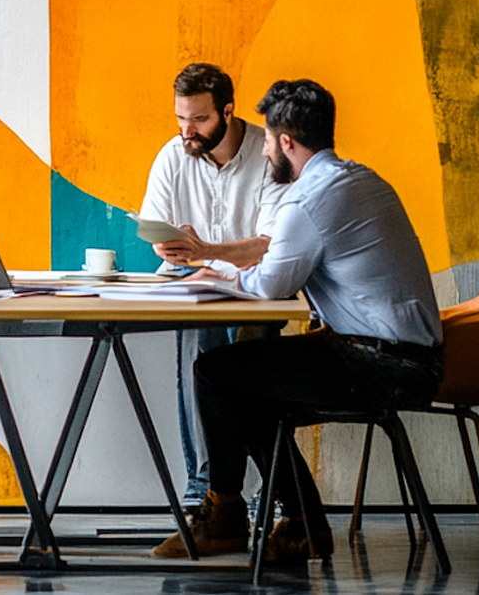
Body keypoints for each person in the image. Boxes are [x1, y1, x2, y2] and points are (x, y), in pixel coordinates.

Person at [152, 79, 443, 561]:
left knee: (216, 372)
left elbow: (272, 283)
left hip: (384, 364)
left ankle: (229, 518)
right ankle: (296, 523)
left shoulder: (308, 199)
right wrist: (226, 268)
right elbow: (275, 273)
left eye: (268, 139)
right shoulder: (359, 179)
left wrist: (215, 272)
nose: (265, 150)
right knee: (246, 378)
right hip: (403, 356)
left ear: (287, 142)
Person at [138, 63, 287, 511]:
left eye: (199, 119)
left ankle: (273, 488)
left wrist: (207, 251)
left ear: (227, 111)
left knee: (254, 356)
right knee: (200, 341)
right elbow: (153, 229)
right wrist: (169, 246)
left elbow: (270, 245)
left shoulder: (268, 154)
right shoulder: (173, 155)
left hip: (254, 280)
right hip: (191, 276)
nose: (188, 131)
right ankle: (206, 488)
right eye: (181, 118)